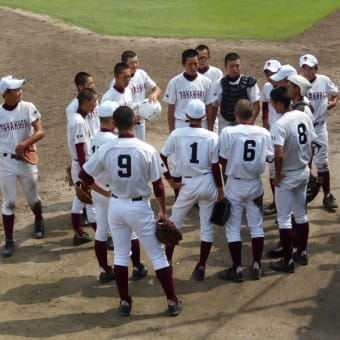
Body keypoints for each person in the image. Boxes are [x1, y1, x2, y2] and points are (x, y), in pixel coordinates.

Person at [79, 106, 182, 317]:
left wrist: (101, 190)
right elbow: (159, 187)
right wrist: (163, 211)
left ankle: (125, 302)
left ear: (114, 124)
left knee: (120, 255)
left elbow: (84, 175)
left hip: (115, 206)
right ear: (135, 120)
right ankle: (172, 301)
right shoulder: (146, 149)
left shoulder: (107, 148)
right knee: (157, 255)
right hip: (139, 207)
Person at [160, 99, 224, 281]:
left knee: (174, 223)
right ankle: (202, 264)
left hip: (186, 184)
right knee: (206, 226)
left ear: (186, 116)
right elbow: (214, 166)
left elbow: (162, 158)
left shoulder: (176, 134)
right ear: (204, 116)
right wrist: (220, 188)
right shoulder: (212, 136)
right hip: (207, 182)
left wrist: (170, 181)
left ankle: (168, 260)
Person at [90, 101, 148, 283]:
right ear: (113, 121)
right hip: (113, 192)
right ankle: (137, 266)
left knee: (100, 230)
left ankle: (104, 270)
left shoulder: (95, 137)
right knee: (130, 232)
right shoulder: (113, 142)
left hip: (97, 190)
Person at [217, 99, 274, 281]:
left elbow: (222, 160)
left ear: (235, 114)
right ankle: (257, 264)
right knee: (256, 225)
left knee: (233, 227)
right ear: (253, 114)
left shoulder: (228, 132)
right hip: (255, 183)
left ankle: (237, 269)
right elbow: (270, 158)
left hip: (234, 183)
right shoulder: (264, 133)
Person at [269, 87, 317, 273]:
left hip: (288, 175)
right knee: (301, 215)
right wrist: (308, 167)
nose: (273, 107)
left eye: (274, 104)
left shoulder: (279, 124)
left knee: (284, 219)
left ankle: (287, 261)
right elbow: (312, 143)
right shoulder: (303, 115)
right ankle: (302, 252)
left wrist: (278, 175)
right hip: (303, 170)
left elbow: (278, 154)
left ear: (280, 103)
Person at [0, 75, 45, 257]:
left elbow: (40, 131)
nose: (20, 92)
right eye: (16, 90)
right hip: (6, 162)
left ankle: (38, 218)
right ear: (5, 94)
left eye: (20, 89)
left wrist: (24, 144)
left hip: (27, 159)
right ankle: (9, 240)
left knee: (32, 199)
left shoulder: (28, 107)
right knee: (9, 202)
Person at [300, 54, 339, 212]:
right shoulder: (298, 83)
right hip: (303, 127)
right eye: (305, 68)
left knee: (322, 163)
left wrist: (332, 103)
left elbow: (335, 92)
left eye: (311, 68)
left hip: (319, 127)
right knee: (304, 162)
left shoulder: (324, 80)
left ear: (316, 68)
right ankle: (302, 196)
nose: (308, 71)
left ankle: (327, 195)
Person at [66, 72, 99, 227]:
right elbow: (80, 147)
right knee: (89, 201)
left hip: (80, 164)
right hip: (82, 164)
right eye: (93, 102)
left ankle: (78, 233)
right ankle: (102, 237)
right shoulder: (78, 120)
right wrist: (85, 170)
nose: (95, 105)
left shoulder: (80, 118)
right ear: (85, 102)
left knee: (79, 201)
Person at [107, 50, 161, 141]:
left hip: (140, 120)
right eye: (132, 63)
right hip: (125, 122)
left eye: (136, 62)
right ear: (124, 64)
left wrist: (154, 94)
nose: (135, 65)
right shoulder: (116, 83)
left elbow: (157, 89)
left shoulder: (141, 74)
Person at [163, 48, 215, 132]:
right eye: (190, 64)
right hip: (181, 125)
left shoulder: (206, 82)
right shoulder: (174, 83)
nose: (193, 67)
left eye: (196, 63)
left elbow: (209, 107)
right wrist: (171, 131)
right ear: (183, 64)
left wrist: (209, 128)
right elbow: (170, 109)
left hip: (201, 124)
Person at [210, 53, 260, 133]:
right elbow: (214, 107)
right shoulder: (218, 84)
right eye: (231, 66)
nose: (235, 69)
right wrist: (210, 127)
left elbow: (256, 105)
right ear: (225, 67)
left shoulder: (249, 83)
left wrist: (250, 122)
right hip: (224, 123)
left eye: (237, 66)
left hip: (244, 123)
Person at [260, 59, 281, 216]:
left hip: (286, 134)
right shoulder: (267, 87)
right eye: (267, 73)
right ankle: (277, 201)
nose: (270, 76)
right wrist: (265, 120)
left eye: (273, 73)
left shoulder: (287, 87)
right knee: (273, 171)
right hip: (272, 134)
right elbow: (265, 105)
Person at [195, 44, 223, 133]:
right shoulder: (190, 74)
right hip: (195, 116)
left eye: (203, 58)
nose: (200, 61)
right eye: (198, 58)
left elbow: (220, 95)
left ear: (209, 57)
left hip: (212, 116)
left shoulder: (217, 73)